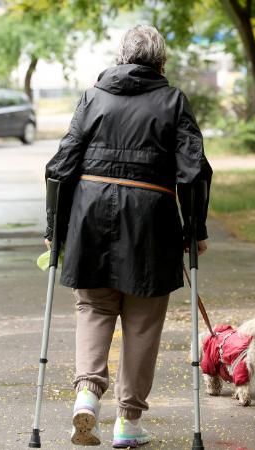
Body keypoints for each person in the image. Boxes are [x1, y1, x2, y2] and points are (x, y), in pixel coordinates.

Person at [44, 24, 212, 448]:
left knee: (94, 309)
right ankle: (128, 421)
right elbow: (193, 172)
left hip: (90, 217)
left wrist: (54, 229)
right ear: (162, 61)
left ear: (120, 57)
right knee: (142, 322)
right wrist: (195, 231)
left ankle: (87, 394)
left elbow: (61, 166)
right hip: (151, 223)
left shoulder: (93, 97)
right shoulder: (173, 102)